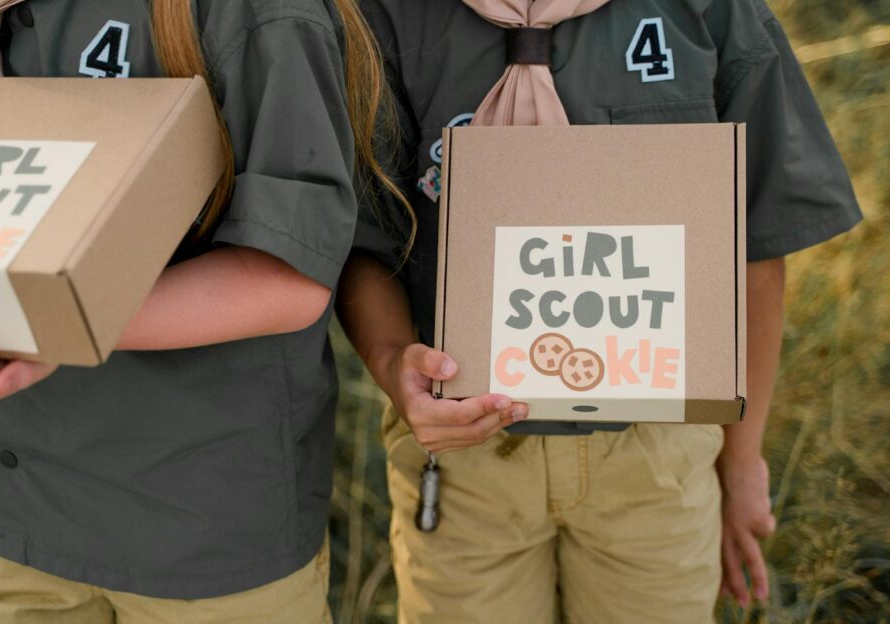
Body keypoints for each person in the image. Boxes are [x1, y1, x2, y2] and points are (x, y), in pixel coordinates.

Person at [0, 0, 408, 621]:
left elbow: (290, 275)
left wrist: (52, 320)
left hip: (198, 534)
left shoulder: (246, 11)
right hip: (0, 514)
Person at [338, 0, 863, 621]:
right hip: (462, 458)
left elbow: (755, 248)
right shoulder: (380, 16)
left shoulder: (708, 11)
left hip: (656, 456)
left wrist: (742, 461)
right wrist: (392, 357)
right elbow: (363, 235)